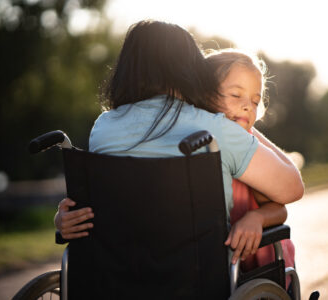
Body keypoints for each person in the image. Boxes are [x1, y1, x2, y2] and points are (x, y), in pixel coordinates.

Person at [54, 20, 304, 266]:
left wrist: (62, 218)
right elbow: (292, 188)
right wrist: (244, 128)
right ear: (187, 66)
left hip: (119, 275)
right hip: (198, 276)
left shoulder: (103, 128)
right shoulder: (214, 131)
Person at [206, 49, 296, 288]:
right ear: (204, 94)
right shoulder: (196, 144)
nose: (247, 106)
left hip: (262, 264)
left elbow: (279, 210)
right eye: (236, 95)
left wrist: (256, 217)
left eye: (255, 101)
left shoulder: (248, 150)